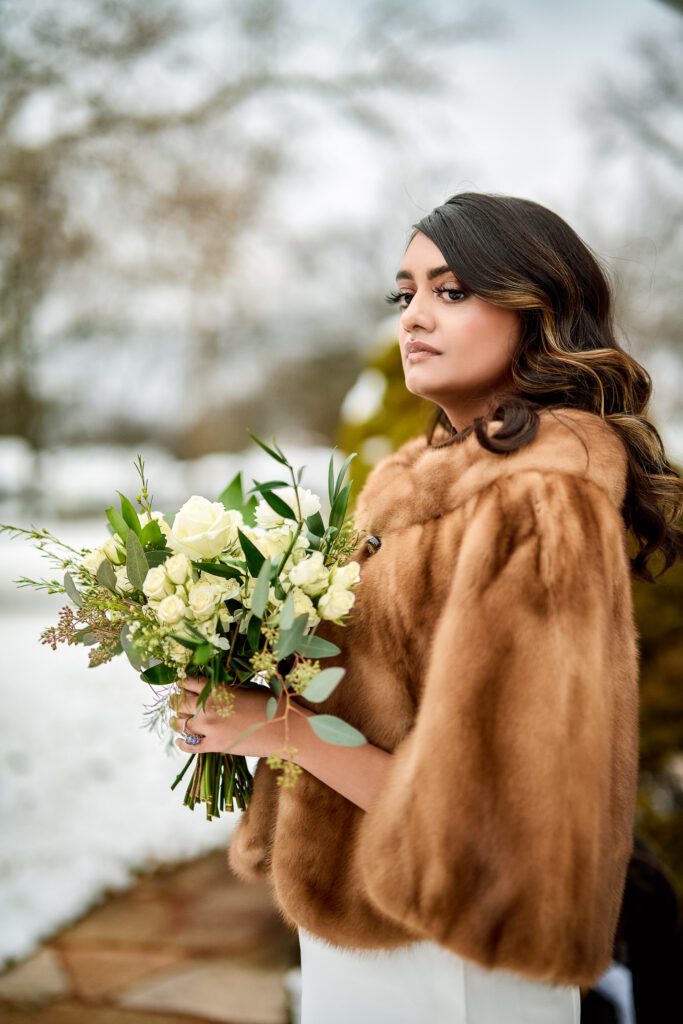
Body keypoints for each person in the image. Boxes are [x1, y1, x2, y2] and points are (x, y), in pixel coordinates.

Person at [171, 191, 683, 1023]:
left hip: (456, 953)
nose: (412, 316)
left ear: (538, 310)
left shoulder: (535, 501)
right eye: (402, 293)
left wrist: (278, 728)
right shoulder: (410, 490)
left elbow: (492, 818)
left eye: (449, 291)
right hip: (369, 932)